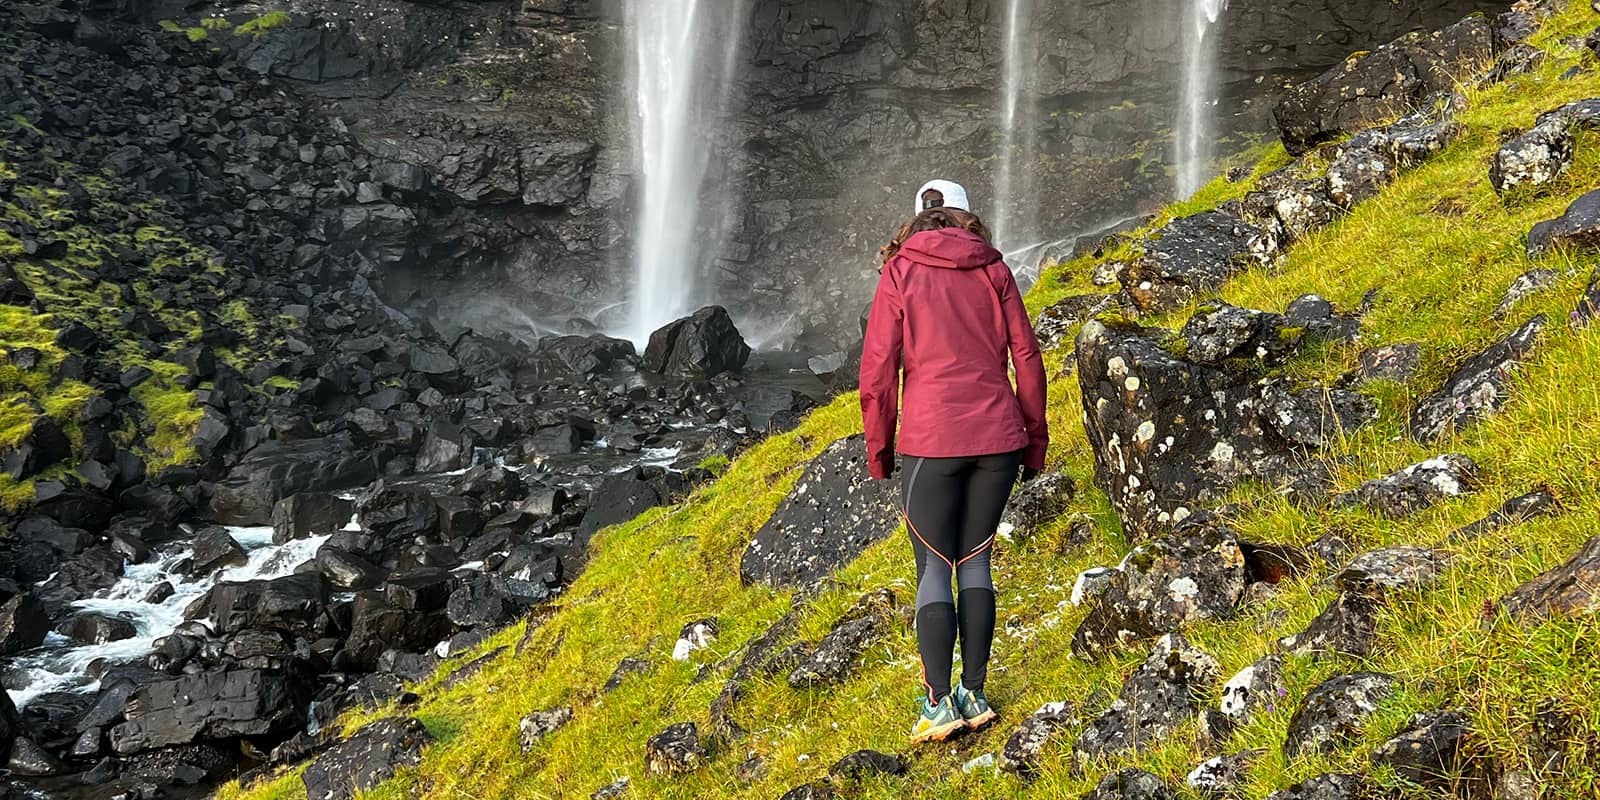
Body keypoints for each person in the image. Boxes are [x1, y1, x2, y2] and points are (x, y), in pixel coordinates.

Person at [860, 202, 1049, 744]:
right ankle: (976, 692)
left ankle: (939, 704)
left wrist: (881, 450)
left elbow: (877, 372)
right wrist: (1034, 441)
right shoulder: (994, 268)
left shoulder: (900, 273)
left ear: (911, 234)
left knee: (934, 567)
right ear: (966, 230)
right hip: (998, 439)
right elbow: (1028, 357)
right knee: (975, 560)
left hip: (931, 442)